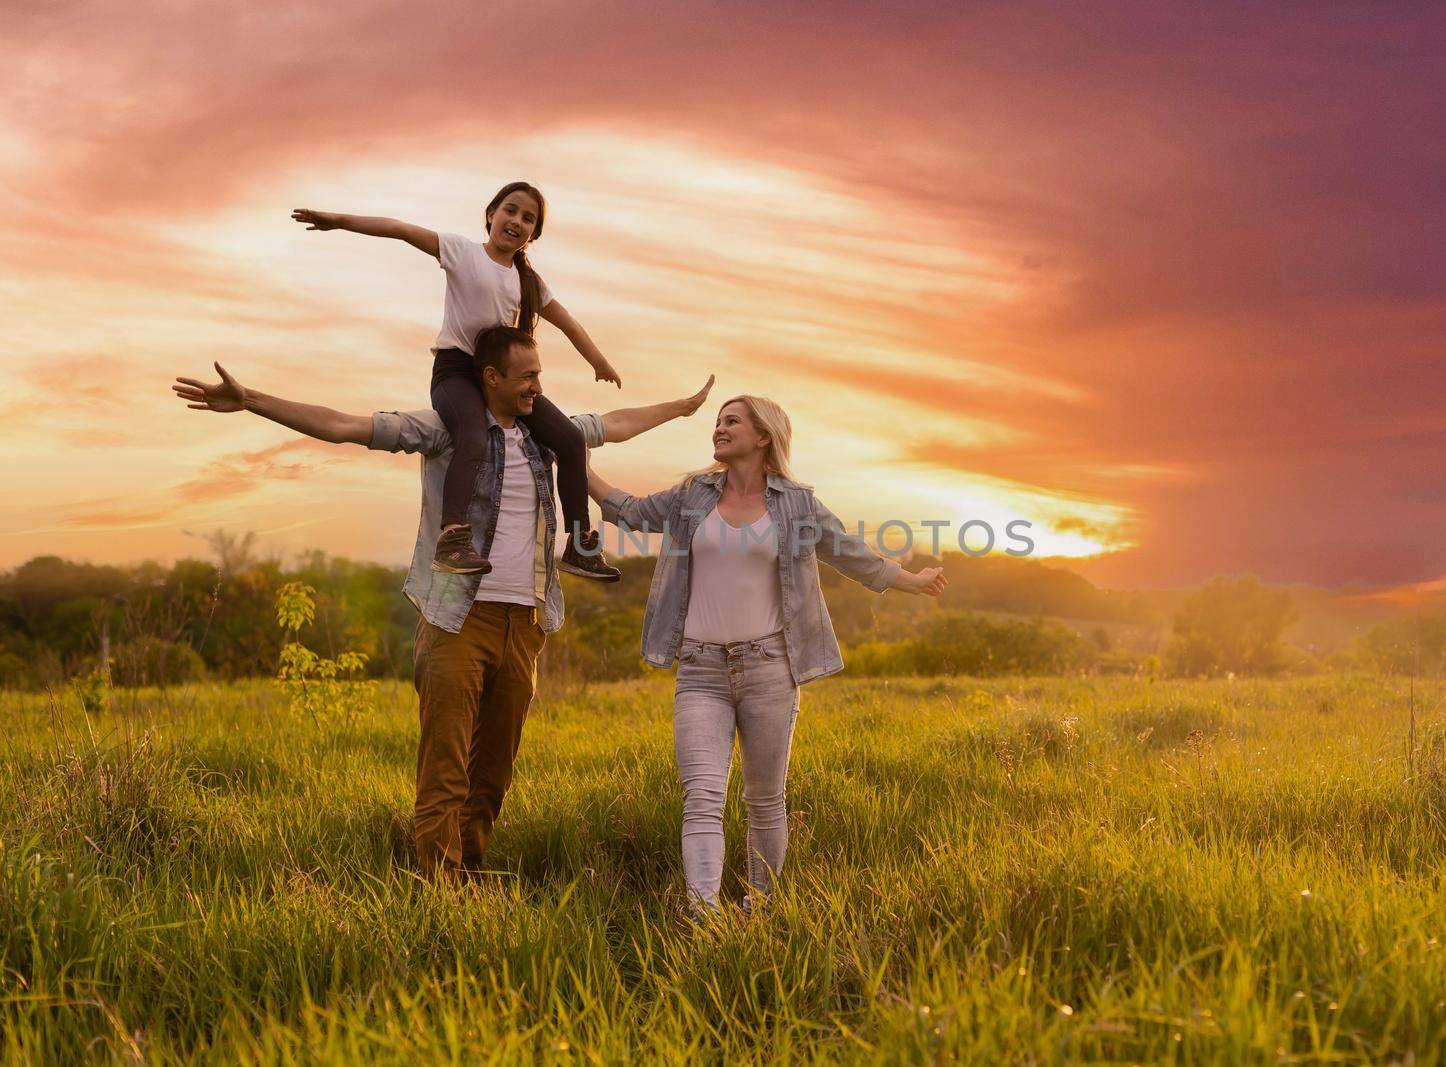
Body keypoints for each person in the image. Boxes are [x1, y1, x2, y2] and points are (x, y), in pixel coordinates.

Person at [173, 326, 714, 879]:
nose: (538, 387)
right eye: (528, 376)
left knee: (493, 772)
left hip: (525, 622)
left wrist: (685, 406)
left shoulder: (545, 435)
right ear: (491, 377)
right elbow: (343, 425)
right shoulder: (446, 430)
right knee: (446, 769)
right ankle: (439, 889)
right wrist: (252, 401)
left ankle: (470, 874)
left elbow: (616, 424)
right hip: (460, 620)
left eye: (540, 375)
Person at [586, 395, 948, 917]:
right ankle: (704, 917)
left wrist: (911, 580)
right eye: (716, 421)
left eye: (732, 420)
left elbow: (850, 552)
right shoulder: (692, 494)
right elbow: (632, 513)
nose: (719, 428)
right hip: (700, 670)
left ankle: (760, 913)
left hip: (770, 668)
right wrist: (581, 464)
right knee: (702, 797)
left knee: (764, 802)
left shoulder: (797, 504)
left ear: (763, 436)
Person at [291, 182, 621, 581]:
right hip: (456, 372)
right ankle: (453, 539)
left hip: (502, 379)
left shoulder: (527, 281)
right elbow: (400, 229)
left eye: (528, 218)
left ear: (533, 234)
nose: (516, 221)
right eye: (510, 211)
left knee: (569, 439)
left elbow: (567, 321)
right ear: (491, 215)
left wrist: (598, 360)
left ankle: (579, 547)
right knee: (473, 434)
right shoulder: (461, 251)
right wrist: (339, 221)